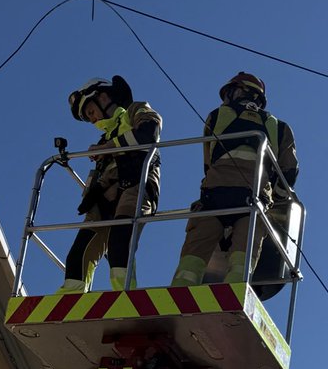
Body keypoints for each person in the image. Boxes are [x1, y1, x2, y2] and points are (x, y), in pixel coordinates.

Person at [171, 72, 298, 288]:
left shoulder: (216, 116)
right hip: (253, 201)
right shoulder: (279, 128)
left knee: (192, 259)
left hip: (213, 197)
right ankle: (234, 297)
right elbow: (289, 172)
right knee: (241, 262)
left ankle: (177, 296)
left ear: (239, 91)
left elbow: (208, 160)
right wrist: (278, 197)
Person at [62, 76, 161, 292]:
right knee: (79, 253)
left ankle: (125, 297)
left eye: (91, 112)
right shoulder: (104, 140)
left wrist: (110, 146)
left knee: (119, 243)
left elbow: (149, 132)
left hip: (136, 185)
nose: (94, 120)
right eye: (89, 118)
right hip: (104, 196)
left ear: (103, 97)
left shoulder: (136, 110)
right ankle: (70, 299)